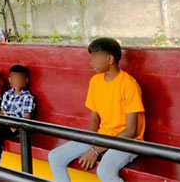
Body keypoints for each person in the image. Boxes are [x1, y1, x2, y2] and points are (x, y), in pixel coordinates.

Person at [48, 38, 145, 182]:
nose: (91, 61)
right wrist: (91, 141)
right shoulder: (95, 81)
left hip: (126, 141)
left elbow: (131, 131)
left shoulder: (129, 85)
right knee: (55, 157)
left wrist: (96, 150)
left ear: (110, 58)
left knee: (105, 171)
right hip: (102, 136)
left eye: (95, 57)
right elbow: (94, 118)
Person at [0, 65, 36, 165]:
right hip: (1, 124)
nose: (17, 81)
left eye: (20, 78)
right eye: (15, 78)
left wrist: (17, 126)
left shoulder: (27, 97)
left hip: (13, 127)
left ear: (26, 80)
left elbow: (27, 117)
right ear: (10, 80)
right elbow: (2, 112)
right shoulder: (7, 94)